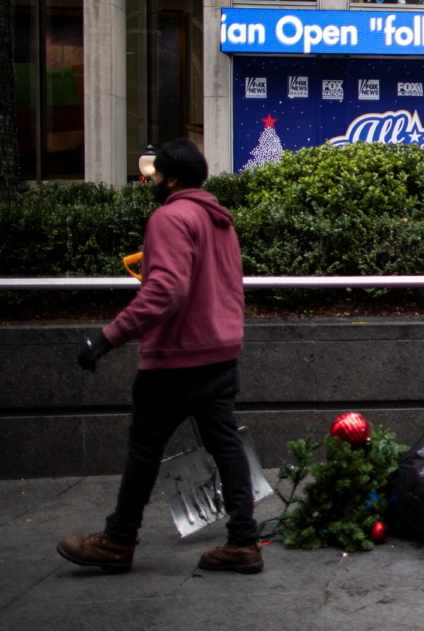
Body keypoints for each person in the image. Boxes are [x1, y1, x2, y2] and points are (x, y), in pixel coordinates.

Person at [58, 139, 262, 575]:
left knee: (144, 448)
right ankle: (244, 542)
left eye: (155, 173)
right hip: (220, 353)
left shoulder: (170, 217)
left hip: (177, 357)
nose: (149, 179)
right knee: (225, 445)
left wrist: (107, 338)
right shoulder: (219, 220)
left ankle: (118, 540)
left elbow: (165, 290)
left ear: (171, 178)